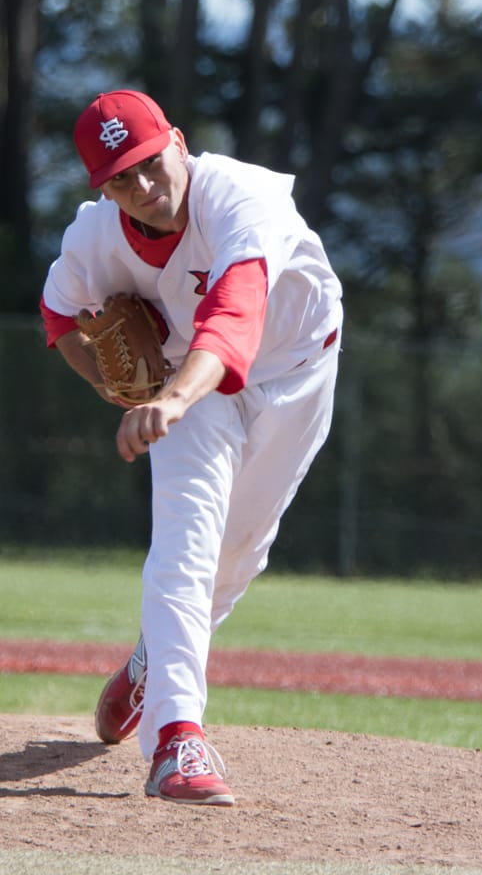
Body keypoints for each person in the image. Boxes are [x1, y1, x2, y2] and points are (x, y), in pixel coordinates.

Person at [40, 89, 343, 807]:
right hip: (190, 387)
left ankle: (153, 661)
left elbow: (237, 312)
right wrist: (119, 392)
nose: (142, 188)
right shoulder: (95, 239)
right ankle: (177, 736)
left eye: (148, 163)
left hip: (297, 371)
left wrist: (168, 400)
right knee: (187, 542)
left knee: (241, 554)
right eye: (120, 178)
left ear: (177, 142)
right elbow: (57, 316)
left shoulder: (240, 196)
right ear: (102, 187)